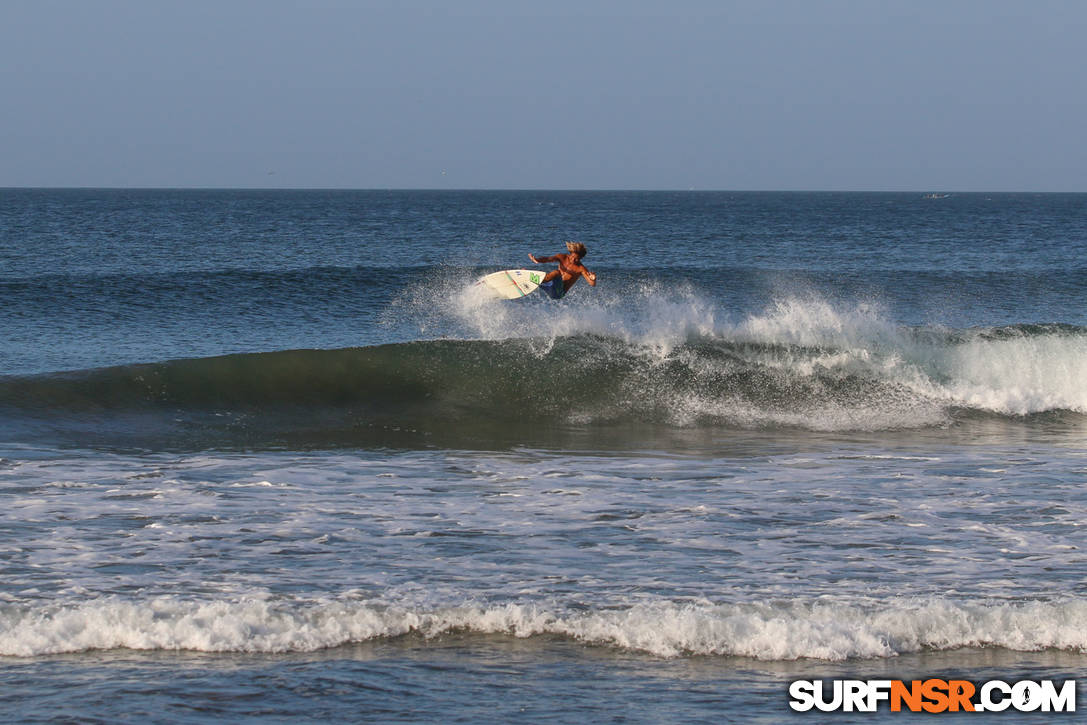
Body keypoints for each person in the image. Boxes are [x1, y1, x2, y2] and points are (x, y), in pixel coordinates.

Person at [528, 242, 597, 300]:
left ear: (581, 258)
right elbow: (548, 259)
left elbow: (592, 284)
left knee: (556, 272)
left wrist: (593, 279)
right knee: (526, 272)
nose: (573, 260)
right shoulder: (562, 257)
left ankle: (534, 278)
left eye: (576, 259)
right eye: (572, 257)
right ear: (570, 253)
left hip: (559, 293)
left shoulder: (581, 268)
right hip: (550, 287)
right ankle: (528, 278)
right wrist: (538, 260)